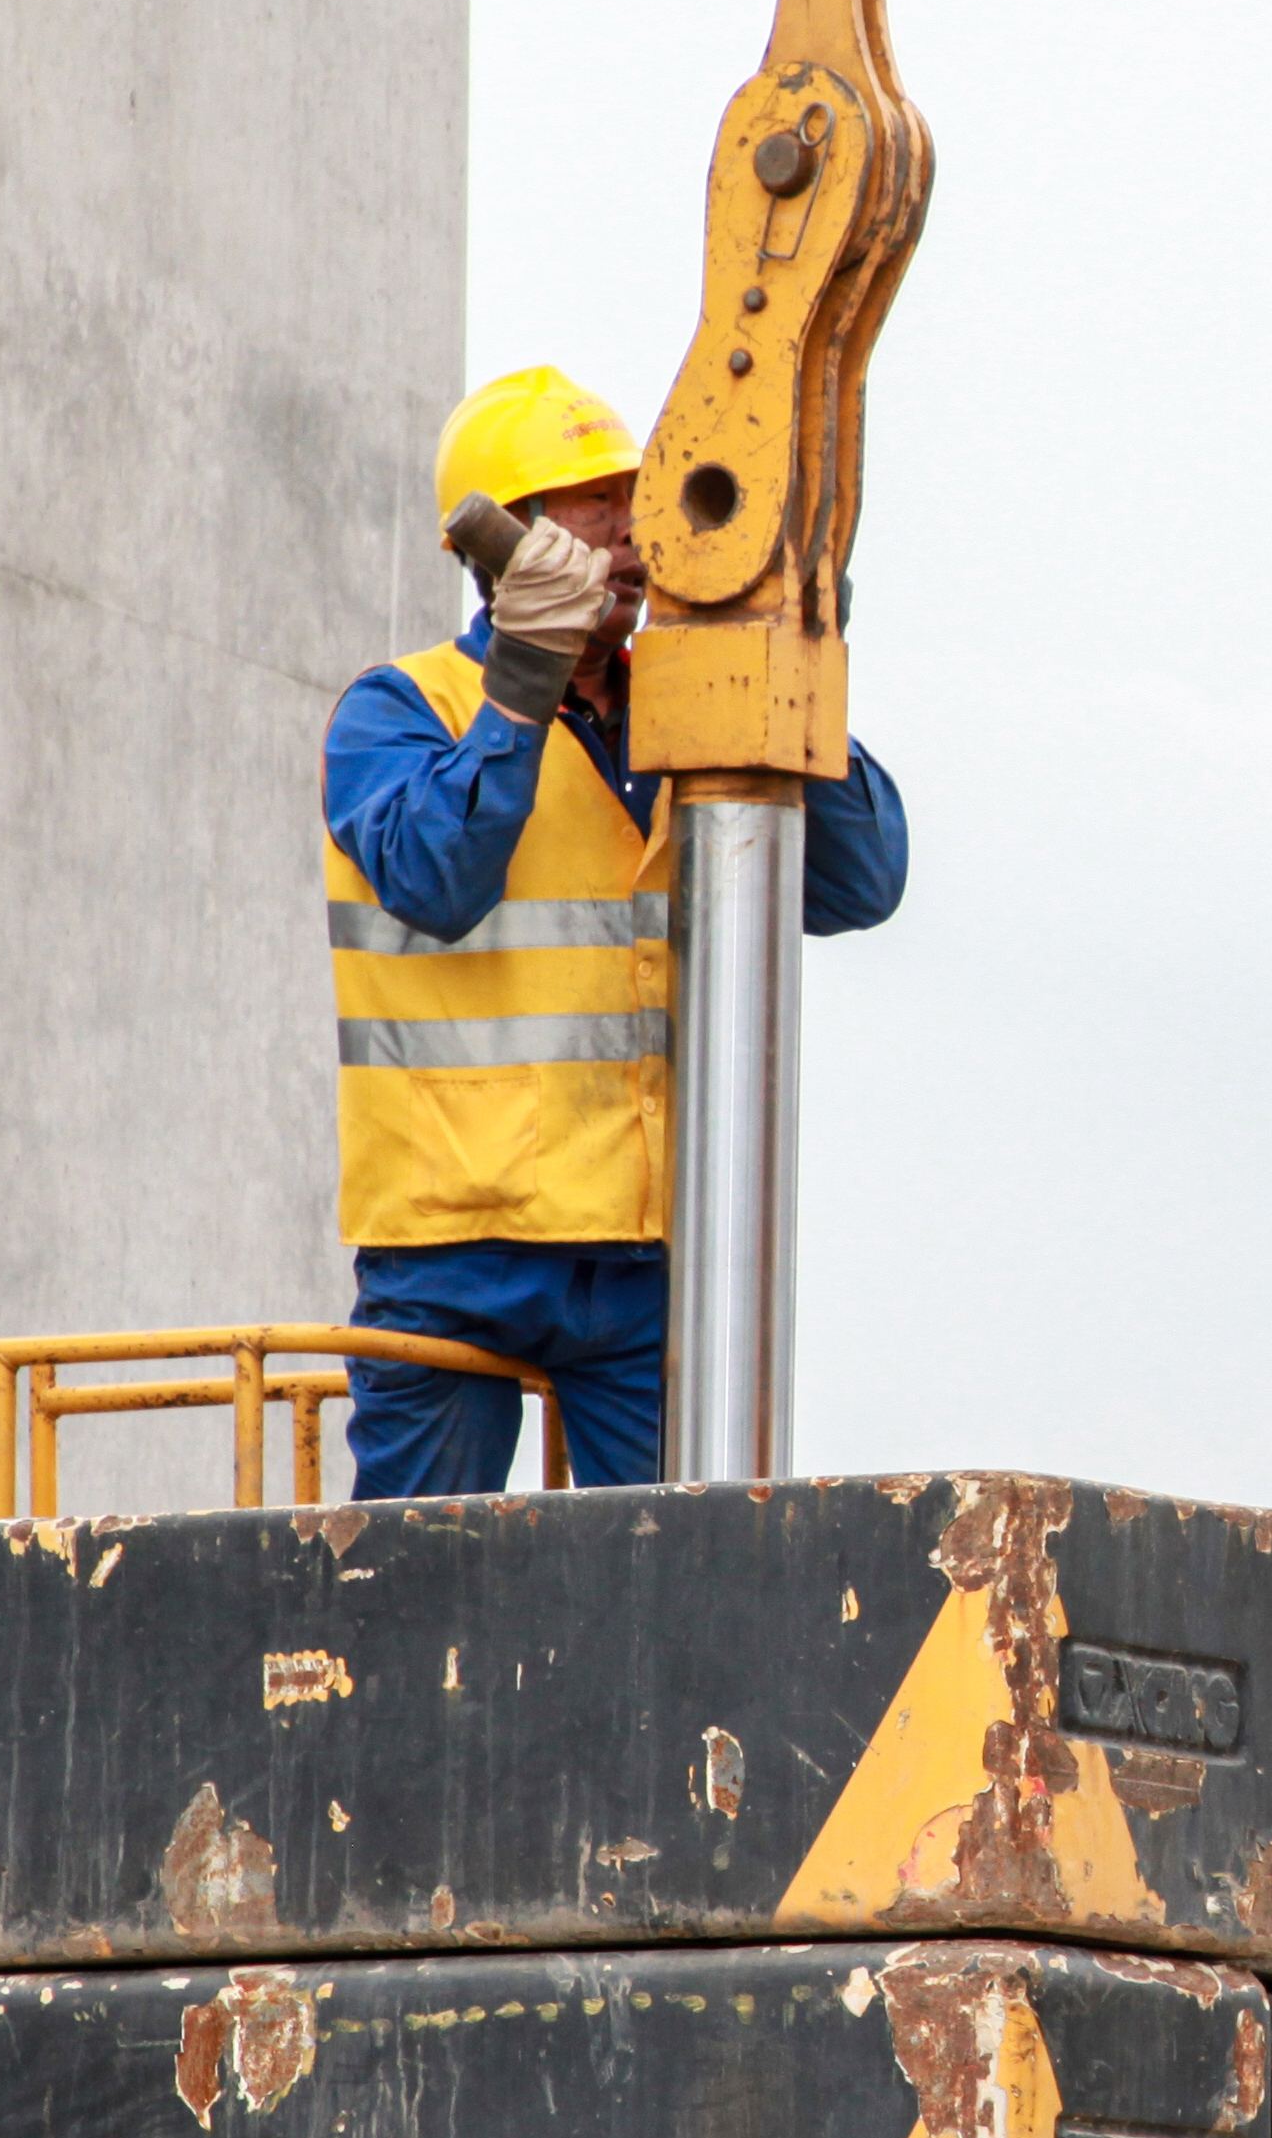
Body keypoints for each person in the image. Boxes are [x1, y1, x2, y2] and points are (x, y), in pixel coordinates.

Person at [321, 367, 907, 1496]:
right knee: (403, 1590)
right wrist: (524, 685)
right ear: (498, 543)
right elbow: (434, 878)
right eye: (590, 507)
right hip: (453, 1248)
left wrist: (786, 664)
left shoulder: (691, 711)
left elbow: (863, 879)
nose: (630, 537)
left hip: (645, 1254)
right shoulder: (399, 710)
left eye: (634, 503)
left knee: (683, 1598)